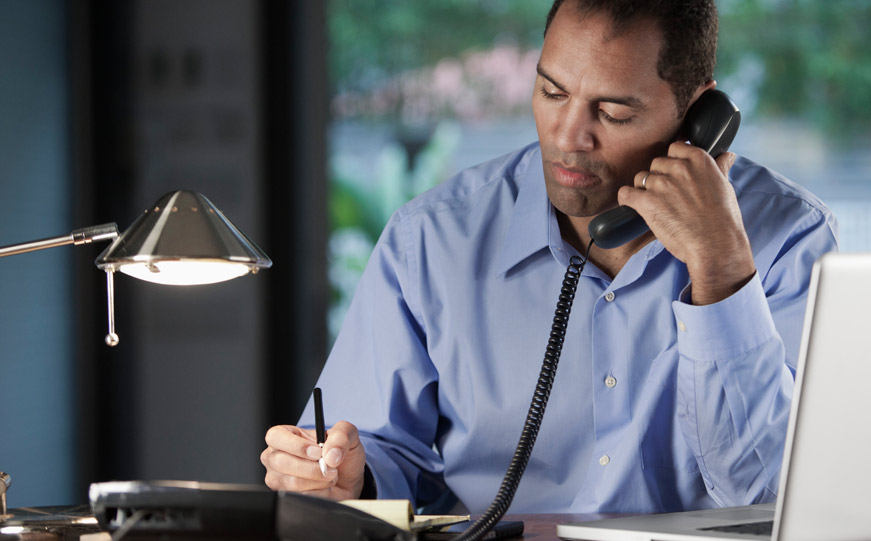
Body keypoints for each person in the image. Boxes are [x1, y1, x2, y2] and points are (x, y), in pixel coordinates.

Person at [261, 0, 837, 514]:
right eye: (552, 92)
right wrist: (347, 479)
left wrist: (721, 268)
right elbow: (377, 453)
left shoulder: (791, 239)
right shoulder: (430, 242)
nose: (567, 136)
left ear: (698, 117)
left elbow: (771, 494)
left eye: (612, 113)